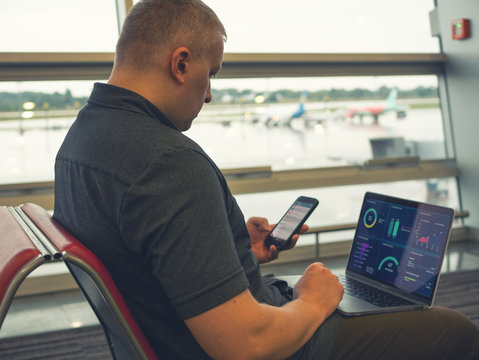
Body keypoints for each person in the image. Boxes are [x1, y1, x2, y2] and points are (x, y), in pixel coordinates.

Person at [53, 0, 479, 359]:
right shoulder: (167, 162)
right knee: (455, 330)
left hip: (171, 334)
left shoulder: (82, 139)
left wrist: (230, 248)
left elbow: (141, 255)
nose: (208, 95)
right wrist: (312, 303)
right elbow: (244, 344)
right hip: (263, 341)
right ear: (181, 63)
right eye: (211, 74)